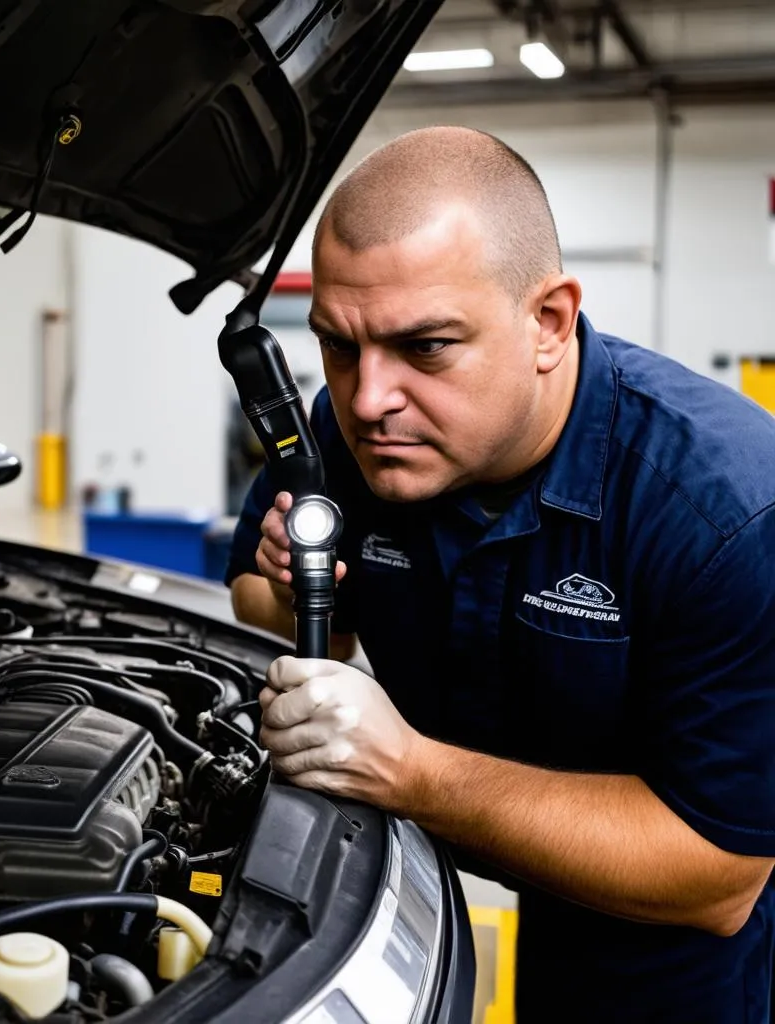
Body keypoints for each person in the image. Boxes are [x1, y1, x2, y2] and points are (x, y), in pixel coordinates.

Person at [224, 125, 775, 1023]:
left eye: (428, 347)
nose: (369, 400)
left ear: (548, 323)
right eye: (337, 344)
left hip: (670, 952)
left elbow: (716, 876)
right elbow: (254, 602)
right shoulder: (342, 430)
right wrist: (296, 590)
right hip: (435, 875)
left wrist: (411, 771)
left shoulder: (727, 515)